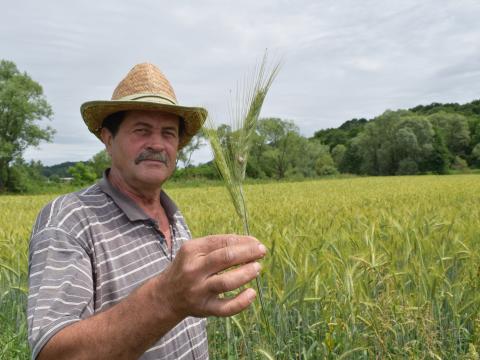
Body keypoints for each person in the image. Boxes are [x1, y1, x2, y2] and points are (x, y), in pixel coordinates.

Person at [27, 63, 267, 360]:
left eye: (168, 133)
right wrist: (166, 299)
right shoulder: (68, 220)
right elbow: (53, 354)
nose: (157, 144)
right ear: (108, 139)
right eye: (142, 131)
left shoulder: (175, 218)